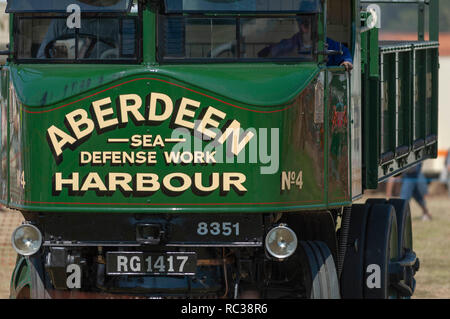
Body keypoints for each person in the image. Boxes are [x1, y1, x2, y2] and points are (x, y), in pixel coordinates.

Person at [258, 17, 353, 71]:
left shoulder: (327, 43)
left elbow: (344, 53)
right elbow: (266, 53)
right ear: (301, 26)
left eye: (309, 24)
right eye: (304, 24)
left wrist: (346, 61)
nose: (306, 28)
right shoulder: (290, 43)